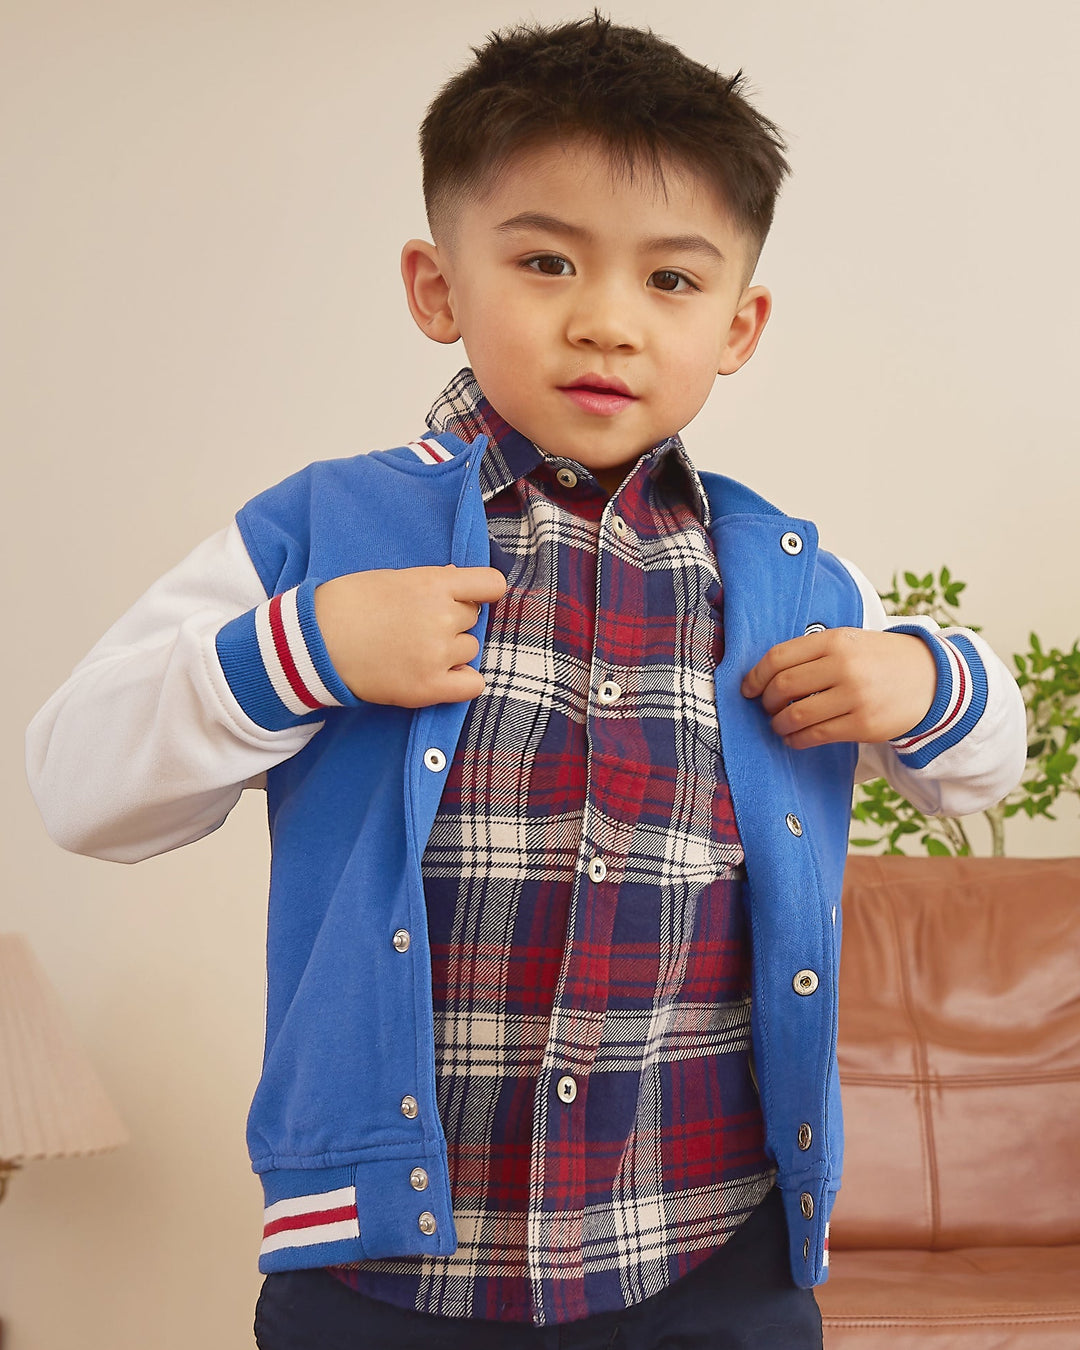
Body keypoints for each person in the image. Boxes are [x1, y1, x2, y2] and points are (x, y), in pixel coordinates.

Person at [26, 14, 1026, 1349]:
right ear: (438, 287)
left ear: (741, 323)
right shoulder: (322, 537)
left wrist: (922, 675)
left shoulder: (782, 573)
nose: (606, 319)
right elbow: (78, 783)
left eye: (674, 281)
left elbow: (985, 761)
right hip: (385, 1272)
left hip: (709, 1257)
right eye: (547, 259)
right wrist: (308, 649)